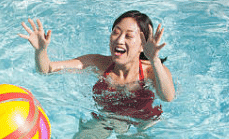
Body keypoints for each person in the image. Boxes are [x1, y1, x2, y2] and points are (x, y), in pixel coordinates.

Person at [20, 10, 175, 122]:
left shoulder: (151, 70)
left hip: (144, 120)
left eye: (128, 36)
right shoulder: (97, 63)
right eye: (116, 32)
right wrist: (40, 51)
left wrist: (154, 60)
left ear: (143, 45)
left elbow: (167, 97)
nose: (119, 40)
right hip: (106, 117)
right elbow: (47, 70)